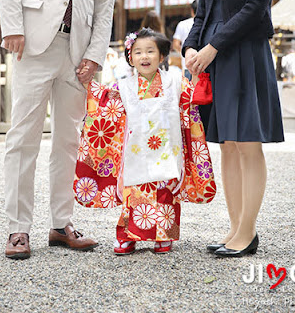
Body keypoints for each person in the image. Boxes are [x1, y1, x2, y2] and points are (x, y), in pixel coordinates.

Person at [0, 0, 117, 260]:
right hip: (33, 43)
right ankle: (18, 229)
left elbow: (105, 6)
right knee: (23, 136)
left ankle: (61, 223)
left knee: (68, 141)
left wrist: (95, 55)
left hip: (77, 53)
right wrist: (12, 25)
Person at [183, 0, 284, 258]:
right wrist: (191, 48)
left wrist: (212, 46)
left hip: (244, 54)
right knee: (227, 144)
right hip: (214, 60)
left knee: (247, 144)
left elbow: (255, 8)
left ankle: (248, 231)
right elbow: (201, 14)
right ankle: (235, 229)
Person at [74, 28, 216, 255]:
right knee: (134, 191)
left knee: (164, 190)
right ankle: (127, 236)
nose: (144, 57)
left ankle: (164, 235)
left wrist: (197, 75)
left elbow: (192, 100)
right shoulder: (124, 86)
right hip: (136, 150)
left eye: (150, 51)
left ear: (162, 56)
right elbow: (103, 102)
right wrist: (89, 84)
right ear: (130, 58)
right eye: (138, 52)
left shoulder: (174, 82)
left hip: (167, 149)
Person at [172, 0, 198, 78]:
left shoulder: (183, 24)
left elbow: (175, 44)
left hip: (188, 66)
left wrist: (184, 53)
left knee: (189, 89)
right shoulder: (208, 24)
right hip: (204, 67)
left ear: (192, 10)